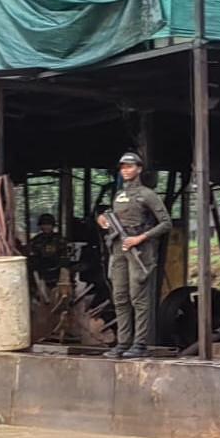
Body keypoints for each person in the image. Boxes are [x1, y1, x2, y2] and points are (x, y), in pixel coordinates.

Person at [96, 152, 172, 359]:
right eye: (123, 167)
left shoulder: (147, 194)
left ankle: (140, 343)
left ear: (139, 168)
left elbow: (166, 223)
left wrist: (141, 238)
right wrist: (103, 220)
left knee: (138, 297)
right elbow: (113, 217)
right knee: (120, 297)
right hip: (119, 248)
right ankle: (123, 342)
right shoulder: (119, 195)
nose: (126, 170)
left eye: (130, 166)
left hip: (139, 249)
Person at [27, 213, 69, 287]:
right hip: (41, 271)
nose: (46, 227)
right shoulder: (36, 240)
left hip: (57, 271)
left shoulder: (59, 239)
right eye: (44, 224)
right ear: (40, 226)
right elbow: (32, 257)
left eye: (48, 224)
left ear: (52, 226)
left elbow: (65, 255)